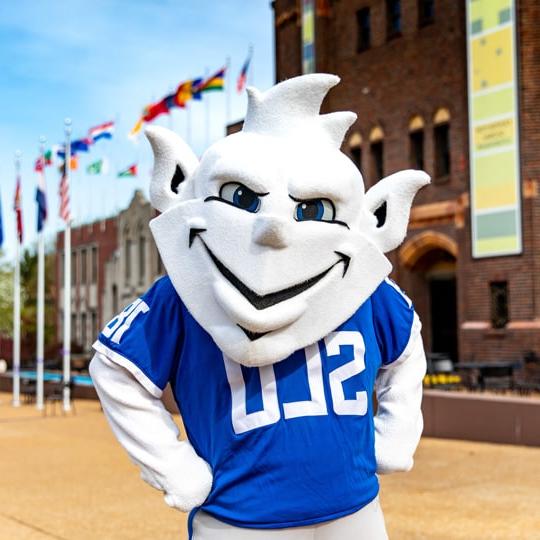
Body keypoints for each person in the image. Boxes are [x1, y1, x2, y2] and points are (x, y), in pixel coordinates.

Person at [90, 74, 429, 539]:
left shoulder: (364, 285)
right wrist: (174, 468)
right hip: (239, 519)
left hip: (356, 511)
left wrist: (396, 431)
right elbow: (115, 367)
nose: (275, 227)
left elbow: (408, 343)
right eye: (242, 198)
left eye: (312, 209)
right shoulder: (186, 290)